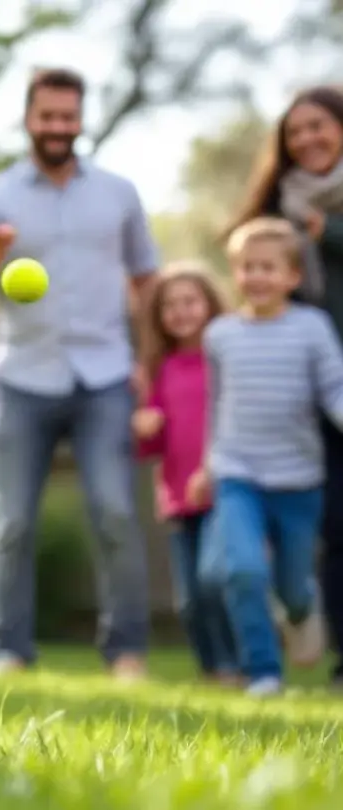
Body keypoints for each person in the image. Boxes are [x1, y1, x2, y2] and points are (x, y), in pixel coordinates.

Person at [0, 67, 159, 679]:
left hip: (105, 376)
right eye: (48, 116)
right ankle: (10, 651)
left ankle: (126, 652)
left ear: (81, 119)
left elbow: (147, 280)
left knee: (116, 514)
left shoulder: (118, 194)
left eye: (68, 116)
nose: (58, 127)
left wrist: (147, 361)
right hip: (22, 376)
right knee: (12, 523)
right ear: (28, 119)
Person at [193, 217, 343, 695]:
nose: (256, 276)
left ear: (292, 276)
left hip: (299, 478)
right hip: (237, 472)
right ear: (234, 273)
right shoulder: (220, 335)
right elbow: (217, 404)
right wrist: (207, 464)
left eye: (268, 267)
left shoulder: (312, 328)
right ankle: (263, 672)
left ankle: (301, 607)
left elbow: (334, 387)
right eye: (247, 267)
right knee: (242, 569)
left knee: (293, 585)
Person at [230, 85, 343, 687]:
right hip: (307, 391)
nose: (306, 139)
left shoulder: (322, 219)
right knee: (334, 531)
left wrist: (331, 234)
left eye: (318, 126)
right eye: (295, 131)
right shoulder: (278, 208)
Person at [132, 262, 239, 685]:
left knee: (215, 582)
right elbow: (151, 447)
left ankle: (235, 665)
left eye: (190, 301)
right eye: (170, 305)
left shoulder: (226, 360)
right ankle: (211, 670)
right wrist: (145, 428)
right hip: (179, 497)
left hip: (225, 489)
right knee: (190, 600)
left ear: (210, 304)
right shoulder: (161, 369)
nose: (180, 312)